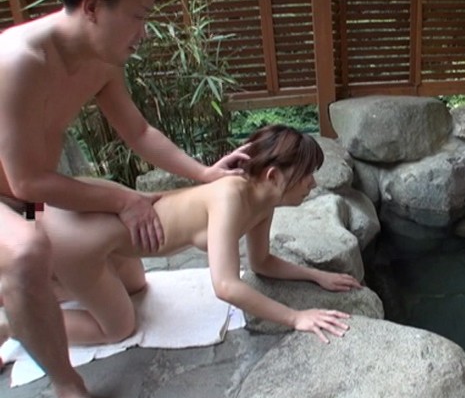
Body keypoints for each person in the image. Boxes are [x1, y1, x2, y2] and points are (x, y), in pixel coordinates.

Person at [0, 0, 248, 398]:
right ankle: (68, 388)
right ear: (92, 7)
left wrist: (204, 174)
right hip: (18, 194)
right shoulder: (19, 61)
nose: (144, 32)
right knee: (27, 252)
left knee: (133, 285)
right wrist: (122, 200)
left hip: (33, 193)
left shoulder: (101, 58)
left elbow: (138, 132)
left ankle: (31, 306)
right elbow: (26, 183)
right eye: (138, 16)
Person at [31, 125, 361, 350]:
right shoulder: (230, 197)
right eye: (306, 176)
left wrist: (316, 276)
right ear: (274, 176)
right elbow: (226, 286)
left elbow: (261, 262)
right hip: (78, 236)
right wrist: (295, 317)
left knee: (136, 287)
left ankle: (55, 283)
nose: (312, 184)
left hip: (110, 226)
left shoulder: (263, 200)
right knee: (118, 327)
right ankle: (18, 323)